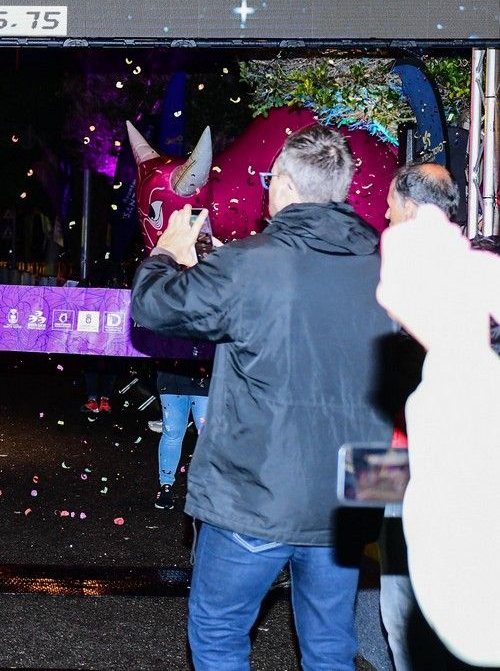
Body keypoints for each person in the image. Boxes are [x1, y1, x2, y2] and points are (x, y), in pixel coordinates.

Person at [130, 125, 394, 669]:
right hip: (353, 497)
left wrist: (166, 252)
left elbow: (154, 308)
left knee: (220, 633)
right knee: (331, 645)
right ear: (343, 189)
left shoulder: (250, 263)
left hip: (255, 492)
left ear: (284, 186)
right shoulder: (388, 269)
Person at [375, 205, 500, 667]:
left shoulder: (457, 360)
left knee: (403, 600)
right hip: (403, 470)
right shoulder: (420, 348)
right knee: (397, 594)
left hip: (423, 476)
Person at [378, 162, 462, 671]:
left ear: (410, 208)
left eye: (390, 206)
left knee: (403, 600)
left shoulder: (400, 277)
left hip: (409, 459)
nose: (385, 215)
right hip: (437, 457)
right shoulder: (480, 265)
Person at [152, 363, 210, 511]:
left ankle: (211, 489)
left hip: (204, 377)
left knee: (207, 436)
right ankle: (166, 486)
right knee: (172, 433)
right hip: (171, 377)